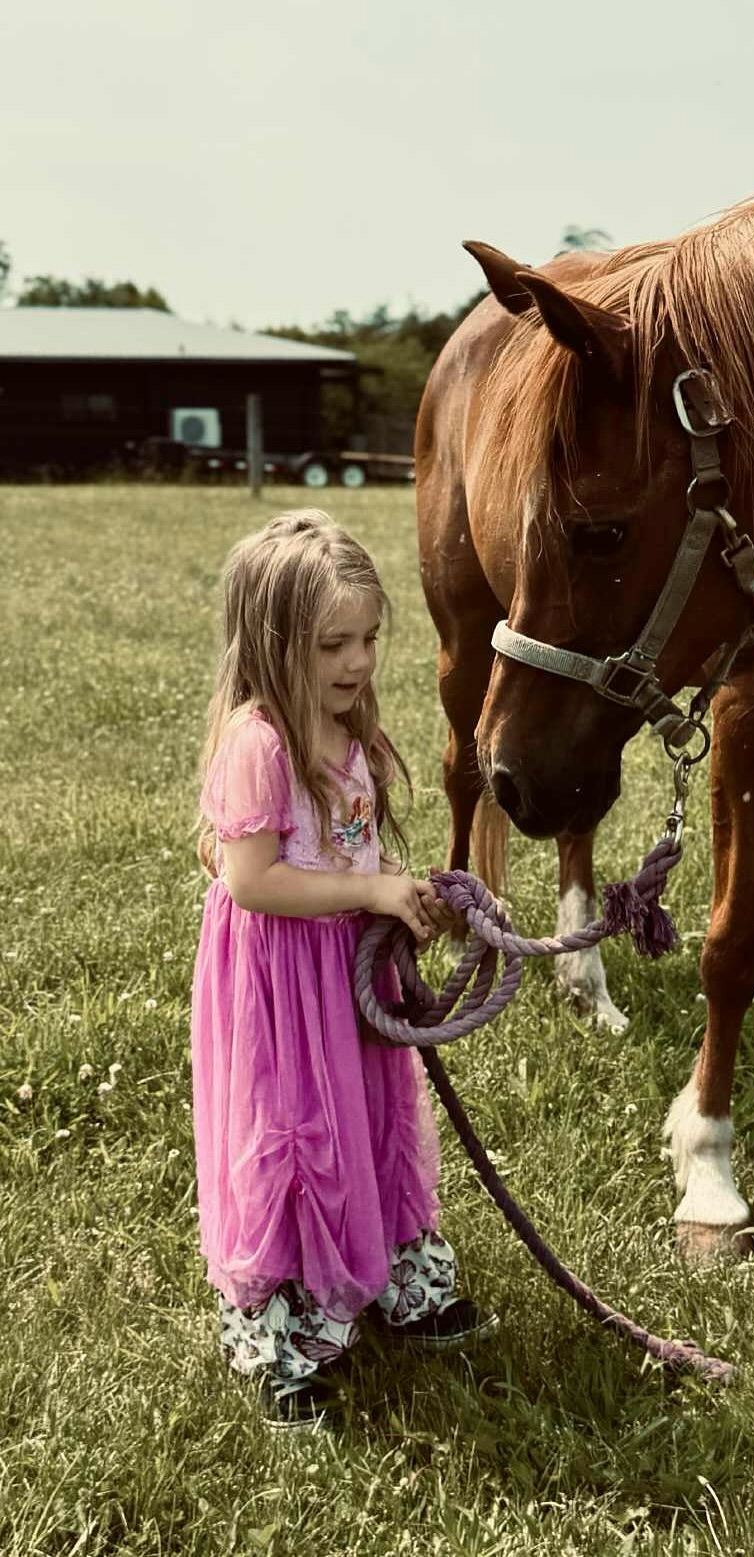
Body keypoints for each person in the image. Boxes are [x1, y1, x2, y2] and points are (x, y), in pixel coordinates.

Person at [191, 509, 496, 1430]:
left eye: (367, 637)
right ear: (276, 642)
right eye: (334, 643)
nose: (359, 661)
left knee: (365, 1114)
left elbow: (348, 854)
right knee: (293, 1129)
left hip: (343, 972)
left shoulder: (341, 726)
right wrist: (370, 892)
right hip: (284, 981)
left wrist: (402, 900)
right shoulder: (262, 742)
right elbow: (251, 879)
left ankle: (393, 1273)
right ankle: (280, 1330)